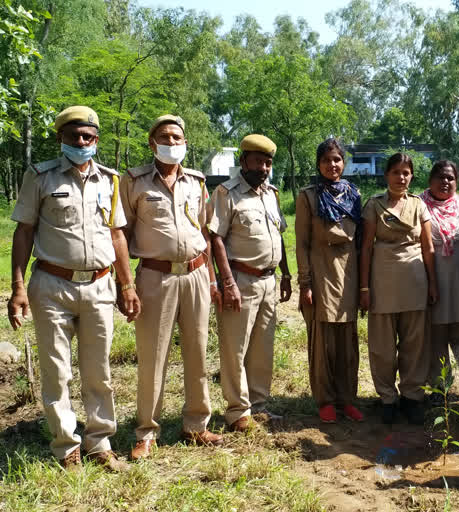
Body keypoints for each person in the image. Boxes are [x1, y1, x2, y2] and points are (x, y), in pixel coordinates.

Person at [7, 106, 138, 471]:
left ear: (97, 140)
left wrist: (127, 285)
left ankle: (99, 442)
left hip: (99, 286)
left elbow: (117, 236)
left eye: (89, 137)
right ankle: (67, 447)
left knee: (99, 371)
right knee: (57, 370)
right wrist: (17, 288)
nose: (82, 142)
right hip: (52, 287)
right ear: (60, 138)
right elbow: (24, 231)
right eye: (75, 136)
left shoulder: (109, 180)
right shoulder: (40, 177)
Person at [120, 115, 223, 460]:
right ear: (152, 143)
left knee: (198, 350)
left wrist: (210, 277)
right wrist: (127, 284)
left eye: (177, 137)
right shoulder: (133, 181)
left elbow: (206, 232)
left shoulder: (197, 181)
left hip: (195, 273)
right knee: (153, 355)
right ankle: (147, 432)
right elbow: (121, 233)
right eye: (164, 137)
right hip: (155, 276)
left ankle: (196, 424)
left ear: (186, 143)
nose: (171, 142)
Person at [209, 134, 292, 432]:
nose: (264, 167)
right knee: (235, 348)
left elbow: (278, 234)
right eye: (258, 161)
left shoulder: (271, 194)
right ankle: (237, 411)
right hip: (240, 279)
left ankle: (259, 405)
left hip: (269, 280)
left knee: (262, 348)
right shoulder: (226, 193)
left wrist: (286, 273)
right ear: (243, 161)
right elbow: (215, 237)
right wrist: (227, 281)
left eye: (268, 162)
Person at [359, 153, 438, 424]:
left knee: (414, 343)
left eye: (406, 173)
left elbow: (428, 247)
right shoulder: (374, 205)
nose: (401, 177)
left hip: (415, 281)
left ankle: (412, 396)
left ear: (412, 176)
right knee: (381, 345)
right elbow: (366, 247)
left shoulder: (419, 205)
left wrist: (433, 283)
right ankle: (387, 399)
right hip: (382, 282)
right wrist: (364, 287)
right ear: (386, 176)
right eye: (395, 172)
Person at [296, 138, 363, 423]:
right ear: (318, 164)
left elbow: (360, 242)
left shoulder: (354, 195)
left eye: (336, 159)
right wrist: (305, 282)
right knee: (323, 342)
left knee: (347, 341)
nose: (332, 165)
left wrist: (363, 285)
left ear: (343, 162)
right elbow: (301, 242)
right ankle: (325, 400)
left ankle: (347, 399)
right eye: (326, 160)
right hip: (321, 272)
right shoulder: (308, 196)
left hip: (349, 272)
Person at [420, 160, 459, 394]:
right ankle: (442, 388)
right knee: (436, 337)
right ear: (430, 180)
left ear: (457, 182)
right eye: (440, 177)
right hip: (432, 281)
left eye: (450, 178)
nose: (445, 182)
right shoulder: (418, 205)